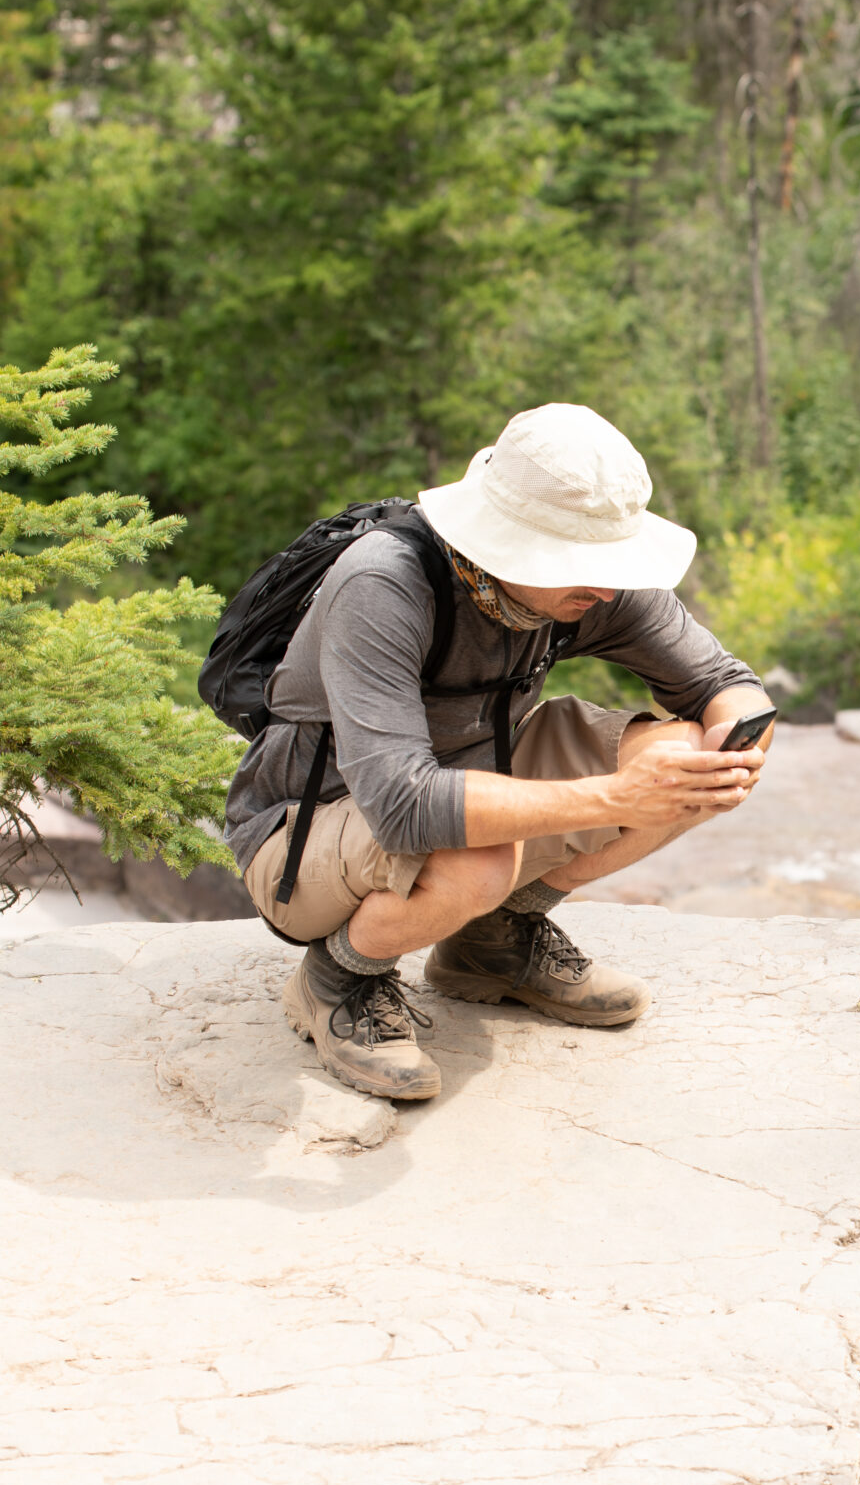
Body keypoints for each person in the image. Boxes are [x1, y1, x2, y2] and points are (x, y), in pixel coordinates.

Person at [224, 403, 774, 1103]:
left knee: (696, 755)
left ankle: (493, 940)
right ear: (508, 542)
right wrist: (615, 797)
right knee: (476, 854)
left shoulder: (590, 587)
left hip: (466, 786)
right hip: (306, 832)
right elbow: (403, 807)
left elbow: (727, 686)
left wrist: (732, 746)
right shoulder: (386, 583)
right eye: (582, 562)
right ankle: (338, 977)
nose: (607, 585)